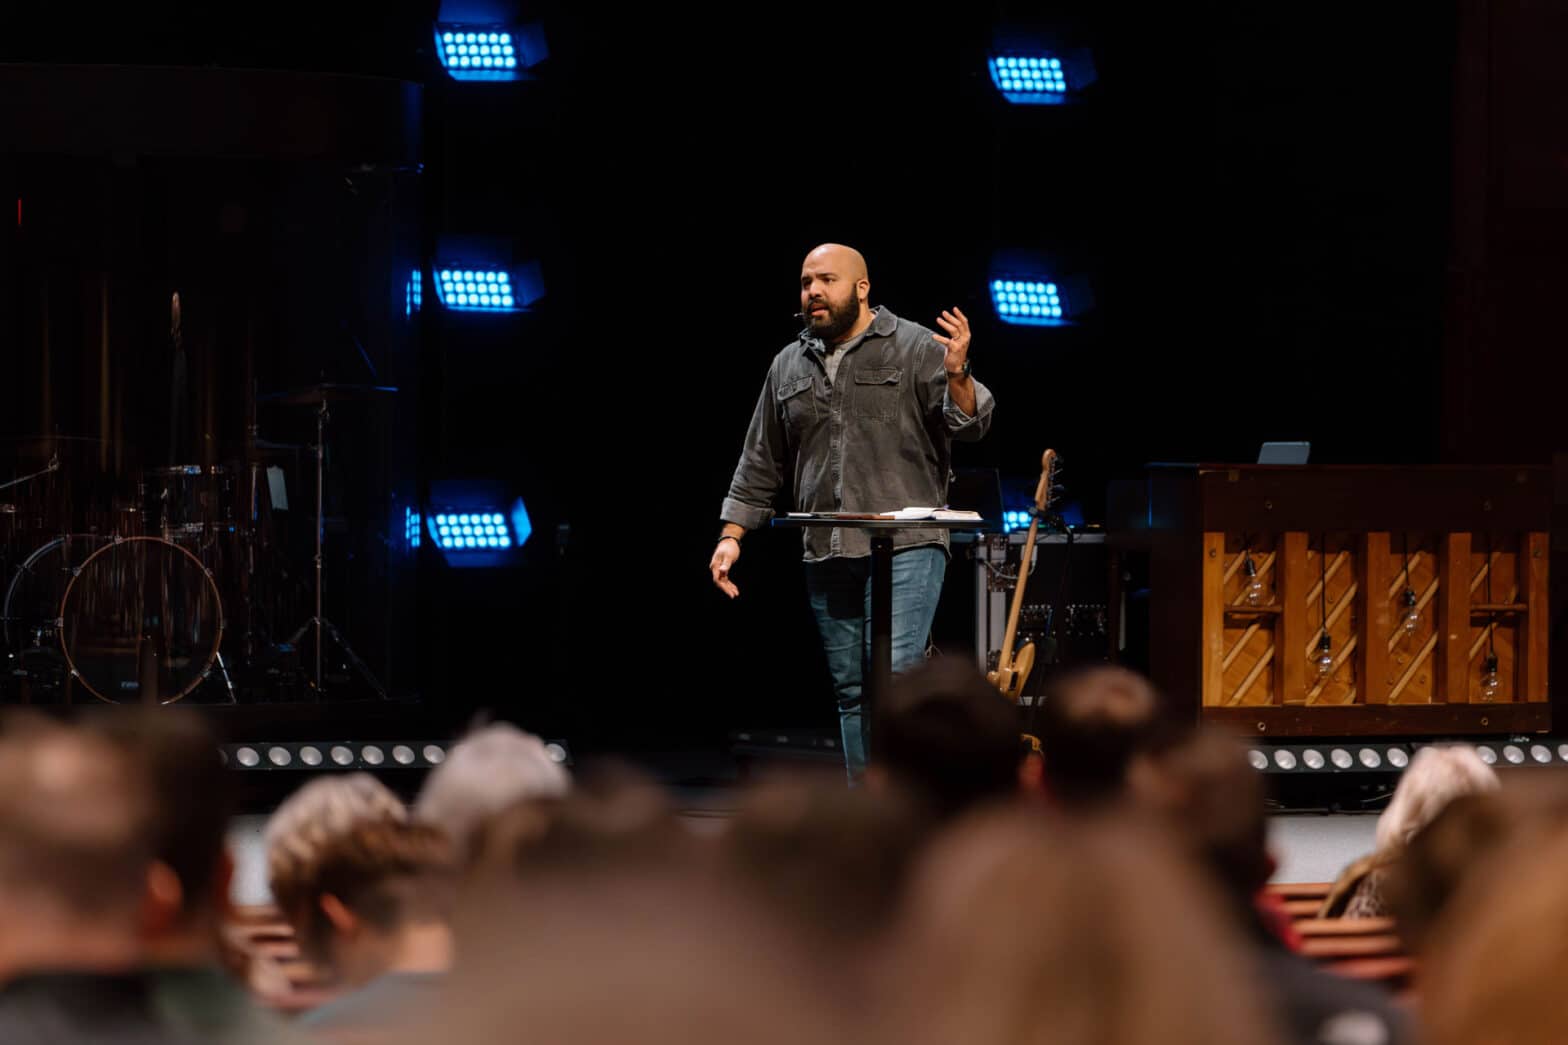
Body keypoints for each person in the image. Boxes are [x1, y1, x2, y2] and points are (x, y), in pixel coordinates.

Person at [712, 243, 995, 780]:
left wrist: (958, 374)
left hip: (906, 548)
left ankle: (905, 805)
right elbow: (760, 458)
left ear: (862, 288)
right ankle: (869, 807)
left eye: (826, 280)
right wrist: (732, 535)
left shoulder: (913, 345)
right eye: (804, 282)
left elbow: (973, 423)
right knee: (850, 690)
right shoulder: (788, 364)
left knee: (895, 681)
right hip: (827, 547)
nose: (812, 292)